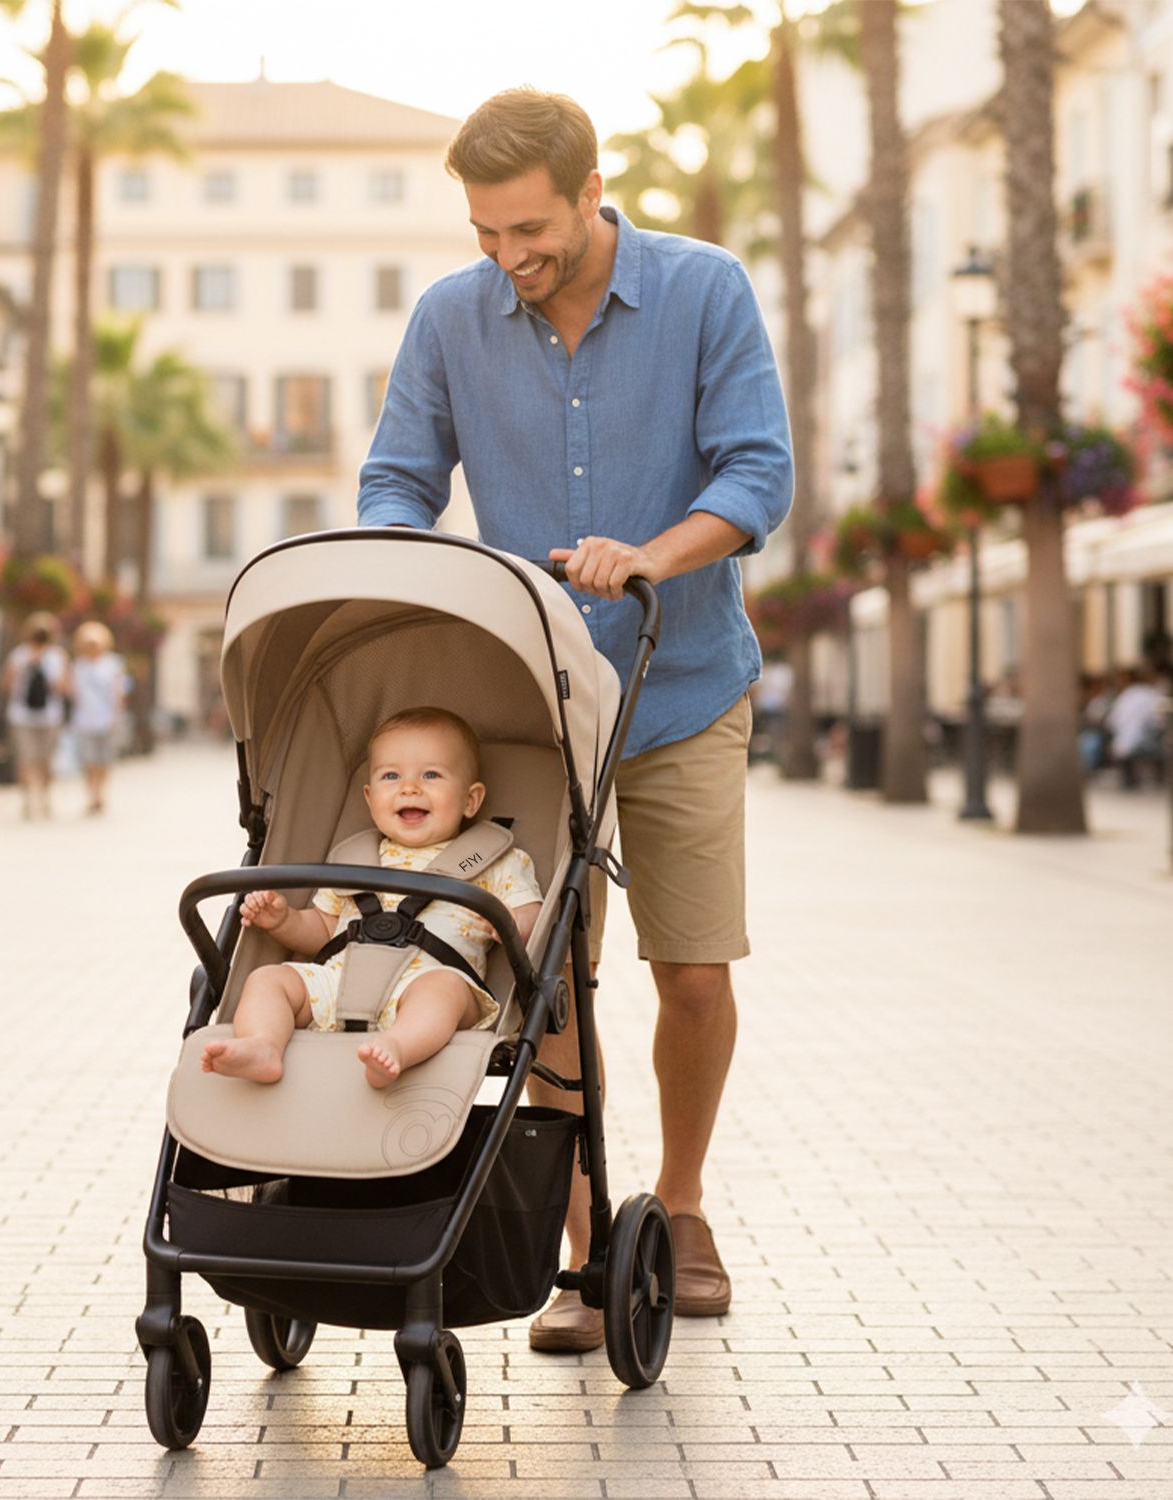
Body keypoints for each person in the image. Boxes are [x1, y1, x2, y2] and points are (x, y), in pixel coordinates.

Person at [357, 89, 793, 1344]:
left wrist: (653, 553)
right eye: (487, 233)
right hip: (536, 704)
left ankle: (684, 1204)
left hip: (680, 685)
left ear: (593, 190)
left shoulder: (704, 290)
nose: (510, 256)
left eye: (532, 229)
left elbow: (758, 470)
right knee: (548, 979)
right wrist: (411, 563)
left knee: (692, 967)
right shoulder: (450, 317)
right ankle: (590, 1242)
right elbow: (397, 479)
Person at [201, 707, 542, 1089]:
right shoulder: (354, 858)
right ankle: (263, 1044)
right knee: (268, 979)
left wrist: (510, 924)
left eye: (431, 775)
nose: (409, 788)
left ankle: (397, 1047)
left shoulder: (496, 860)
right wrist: (284, 921)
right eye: (391, 776)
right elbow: (323, 929)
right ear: (369, 796)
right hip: (340, 980)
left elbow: (534, 916)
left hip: (427, 980)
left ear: (470, 800)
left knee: (444, 993)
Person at [1, 612, 72, 819]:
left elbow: (64, 688)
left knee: (45, 761)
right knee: (26, 760)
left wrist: (48, 674)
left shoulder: (57, 656)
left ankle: (44, 798)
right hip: (23, 716)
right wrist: (25, 669)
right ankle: (28, 801)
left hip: (49, 716)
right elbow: (7, 684)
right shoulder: (19, 655)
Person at [70, 621, 126, 814]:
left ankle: (101, 792)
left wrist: (117, 717)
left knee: (104, 760)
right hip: (84, 720)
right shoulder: (78, 666)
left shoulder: (113, 664)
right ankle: (92, 794)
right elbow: (72, 692)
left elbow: (118, 693)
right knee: (88, 760)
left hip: (106, 719)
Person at [1104, 668, 1168, 788]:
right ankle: (1158, 779)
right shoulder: (1152, 695)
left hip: (1125, 743)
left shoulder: (1126, 695)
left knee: (1125, 748)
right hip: (1144, 742)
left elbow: (1111, 721)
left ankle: (1129, 781)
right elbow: (1160, 722)